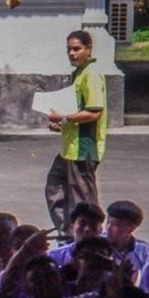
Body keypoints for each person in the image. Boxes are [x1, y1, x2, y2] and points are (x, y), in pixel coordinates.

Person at [43, 30, 107, 231]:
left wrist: (63, 117)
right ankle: (69, 234)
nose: (72, 53)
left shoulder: (92, 74)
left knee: (83, 200)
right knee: (55, 187)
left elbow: (94, 112)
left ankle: (91, 239)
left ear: (89, 49)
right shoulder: (79, 74)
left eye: (77, 49)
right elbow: (76, 111)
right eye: (69, 49)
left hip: (83, 148)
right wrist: (61, 125)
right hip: (69, 147)